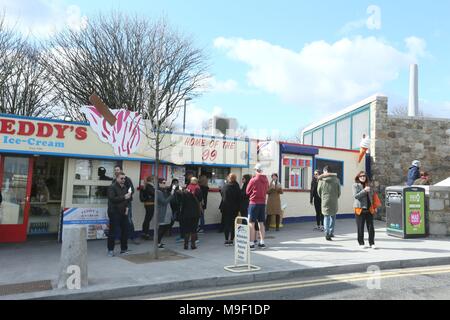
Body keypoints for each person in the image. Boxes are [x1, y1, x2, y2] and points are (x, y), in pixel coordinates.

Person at [107, 172, 131, 256]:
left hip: (123, 212)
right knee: (113, 232)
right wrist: (124, 197)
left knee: (125, 231)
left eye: (124, 178)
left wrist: (127, 207)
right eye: (121, 178)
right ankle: (110, 250)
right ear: (117, 178)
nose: (123, 180)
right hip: (114, 212)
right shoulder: (112, 187)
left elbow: (127, 200)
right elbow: (112, 198)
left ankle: (124, 249)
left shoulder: (125, 187)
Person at [246, 163, 269, 250]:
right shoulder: (266, 180)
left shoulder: (253, 180)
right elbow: (267, 190)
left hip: (253, 203)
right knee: (261, 223)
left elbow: (247, 191)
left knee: (251, 223)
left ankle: (251, 243)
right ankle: (262, 242)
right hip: (262, 203)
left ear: (256, 170)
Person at [113, 165, 139, 244]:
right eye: (115, 170)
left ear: (121, 170)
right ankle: (117, 238)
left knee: (129, 220)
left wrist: (126, 197)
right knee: (117, 220)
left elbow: (131, 190)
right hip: (117, 204)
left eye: (117, 170)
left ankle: (133, 237)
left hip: (127, 203)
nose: (116, 171)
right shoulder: (114, 181)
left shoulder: (127, 179)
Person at [353, 171, 376, 249]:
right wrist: (364, 190)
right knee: (360, 227)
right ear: (358, 177)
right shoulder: (355, 185)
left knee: (371, 227)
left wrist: (374, 207)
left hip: (369, 209)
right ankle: (361, 243)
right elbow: (356, 196)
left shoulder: (368, 185)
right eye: (361, 176)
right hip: (360, 209)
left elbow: (372, 197)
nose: (363, 177)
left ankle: (372, 243)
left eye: (364, 176)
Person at [317, 166, 341, 241]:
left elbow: (319, 191)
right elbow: (339, 192)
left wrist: (323, 197)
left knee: (326, 216)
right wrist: (335, 197)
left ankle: (326, 233)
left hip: (325, 200)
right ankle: (331, 232)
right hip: (334, 200)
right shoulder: (337, 180)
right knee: (333, 216)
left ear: (325, 171)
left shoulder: (321, 180)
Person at [220, 173, 241, 246]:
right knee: (233, 225)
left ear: (229, 178)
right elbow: (239, 198)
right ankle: (231, 240)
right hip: (234, 208)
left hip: (225, 208)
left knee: (226, 224)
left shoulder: (225, 186)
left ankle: (226, 240)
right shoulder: (237, 187)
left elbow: (222, 194)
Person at [155, 179, 175, 248]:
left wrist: (172, 188)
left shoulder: (164, 191)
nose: (165, 184)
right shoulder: (158, 192)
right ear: (159, 184)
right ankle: (157, 243)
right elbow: (164, 202)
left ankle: (159, 241)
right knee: (162, 228)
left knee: (165, 227)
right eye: (163, 183)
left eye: (165, 183)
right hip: (163, 212)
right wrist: (171, 195)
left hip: (167, 211)